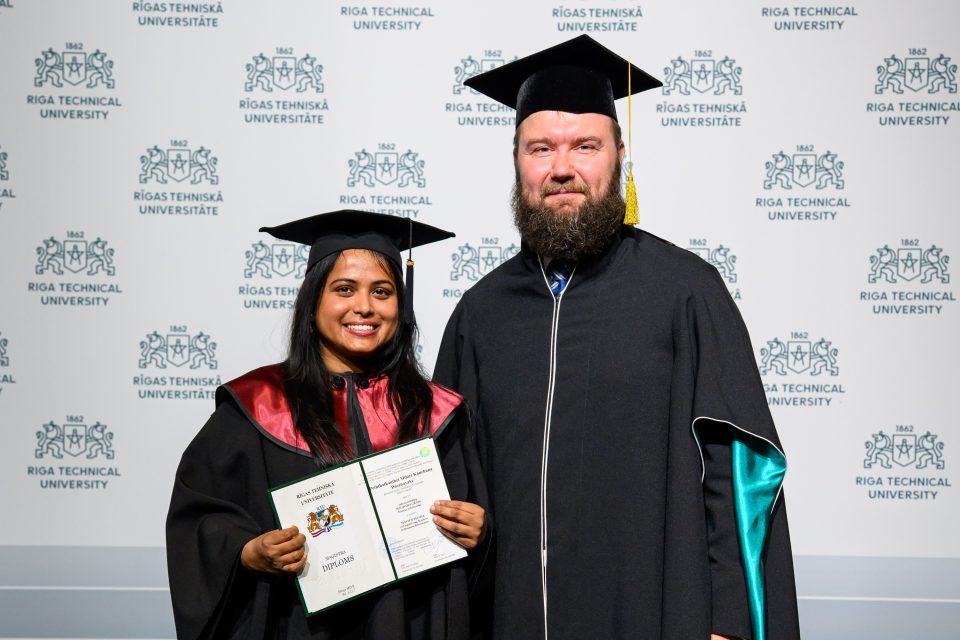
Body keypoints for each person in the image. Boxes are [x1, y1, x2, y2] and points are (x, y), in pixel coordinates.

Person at [433, 35, 800, 640]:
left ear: (620, 154)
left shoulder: (684, 291)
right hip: (512, 617)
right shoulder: (481, 313)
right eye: (541, 148)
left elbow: (738, 473)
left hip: (653, 614)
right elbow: (448, 484)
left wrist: (728, 621)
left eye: (586, 146)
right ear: (517, 159)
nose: (562, 168)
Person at [167, 210, 489, 639]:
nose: (364, 306)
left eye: (382, 291)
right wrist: (248, 551)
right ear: (312, 301)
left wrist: (480, 531)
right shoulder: (257, 406)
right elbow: (199, 520)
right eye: (344, 289)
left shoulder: (436, 413)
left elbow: (474, 537)